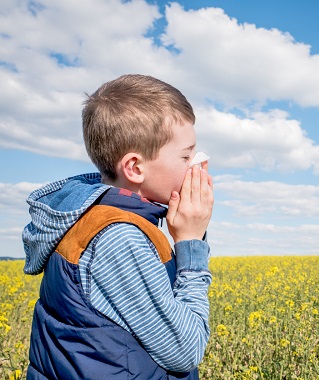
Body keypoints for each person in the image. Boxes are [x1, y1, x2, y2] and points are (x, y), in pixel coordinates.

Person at [22, 74, 214, 379]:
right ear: (135, 168)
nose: (197, 163)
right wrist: (191, 244)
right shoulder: (118, 237)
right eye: (186, 155)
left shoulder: (95, 217)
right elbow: (184, 352)